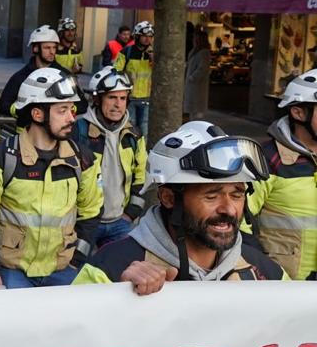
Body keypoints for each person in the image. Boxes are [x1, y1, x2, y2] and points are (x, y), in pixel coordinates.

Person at [75, 122, 283, 291]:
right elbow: (71, 333)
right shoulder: (109, 269)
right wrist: (117, 295)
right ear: (168, 198)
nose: (228, 209)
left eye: (236, 195)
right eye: (212, 196)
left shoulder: (265, 273)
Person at [0, 68, 102, 289]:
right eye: (62, 110)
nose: (72, 117)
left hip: (62, 272)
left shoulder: (83, 159)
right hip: (13, 273)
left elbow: (92, 211)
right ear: (37, 114)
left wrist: (77, 260)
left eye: (72, 109)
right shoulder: (1, 157)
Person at [247, 70, 317, 280]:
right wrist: (264, 271)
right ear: (298, 113)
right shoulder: (268, 160)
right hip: (285, 286)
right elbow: (238, 221)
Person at [74, 66, 147, 248]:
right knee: (80, 274)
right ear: (97, 99)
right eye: (112, 97)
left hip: (120, 223)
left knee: (119, 274)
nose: (118, 104)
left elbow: (142, 177)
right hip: (85, 224)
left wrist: (131, 213)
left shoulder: (134, 135)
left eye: (123, 98)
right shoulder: (78, 131)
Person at [0, 25, 70, 117]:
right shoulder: (21, 77)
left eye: (54, 47)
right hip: (27, 130)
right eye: (47, 48)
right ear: (35, 48)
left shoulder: (64, 75)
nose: (52, 52)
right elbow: (3, 106)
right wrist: (26, 113)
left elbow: (82, 105)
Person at [115, 21, 154, 136]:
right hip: (130, 97)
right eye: (144, 36)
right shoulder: (126, 52)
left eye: (150, 36)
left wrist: (154, 59)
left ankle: (142, 152)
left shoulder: (153, 54)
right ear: (137, 36)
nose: (148, 39)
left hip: (147, 97)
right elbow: (117, 71)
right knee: (130, 126)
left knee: (144, 128)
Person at [183, 29, 211, 121]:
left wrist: (192, 78)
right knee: (192, 111)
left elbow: (203, 69)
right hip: (191, 86)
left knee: (197, 113)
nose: (194, 40)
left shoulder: (204, 52)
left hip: (197, 86)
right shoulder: (194, 51)